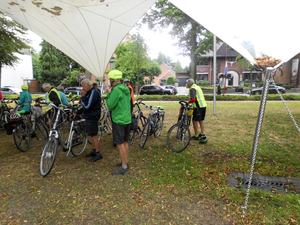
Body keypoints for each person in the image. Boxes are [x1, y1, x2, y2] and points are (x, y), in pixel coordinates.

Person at [106, 70, 131, 175]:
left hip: (119, 120)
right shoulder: (126, 88)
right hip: (127, 119)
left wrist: (109, 94)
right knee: (125, 142)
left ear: (112, 80)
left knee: (120, 144)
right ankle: (125, 162)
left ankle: (124, 167)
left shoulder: (116, 90)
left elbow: (110, 105)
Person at [75, 79, 102, 162]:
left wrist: (83, 97)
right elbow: (85, 107)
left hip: (92, 116)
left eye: (83, 86)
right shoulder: (90, 92)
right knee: (91, 135)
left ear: (87, 85)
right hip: (89, 116)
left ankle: (98, 153)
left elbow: (87, 106)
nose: (82, 88)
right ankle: (94, 151)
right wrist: (77, 112)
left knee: (94, 136)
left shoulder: (93, 92)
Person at [186, 78, 208, 143]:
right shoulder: (197, 87)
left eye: (187, 83)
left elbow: (193, 99)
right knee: (201, 120)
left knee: (194, 121)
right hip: (203, 105)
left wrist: (188, 102)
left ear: (189, 83)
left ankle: (196, 135)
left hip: (198, 107)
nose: (187, 84)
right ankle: (202, 133)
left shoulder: (192, 88)